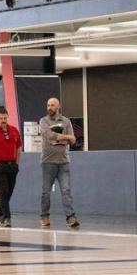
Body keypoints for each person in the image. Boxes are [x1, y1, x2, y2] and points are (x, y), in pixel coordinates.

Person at [39, 98, 79, 228]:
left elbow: (73, 140)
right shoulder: (43, 121)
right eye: (48, 105)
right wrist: (65, 137)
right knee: (46, 192)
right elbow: (50, 136)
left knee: (66, 191)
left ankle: (71, 217)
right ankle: (44, 216)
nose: (50, 107)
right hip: (48, 162)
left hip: (63, 162)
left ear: (58, 107)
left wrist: (64, 138)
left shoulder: (66, 121)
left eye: (52, 105)